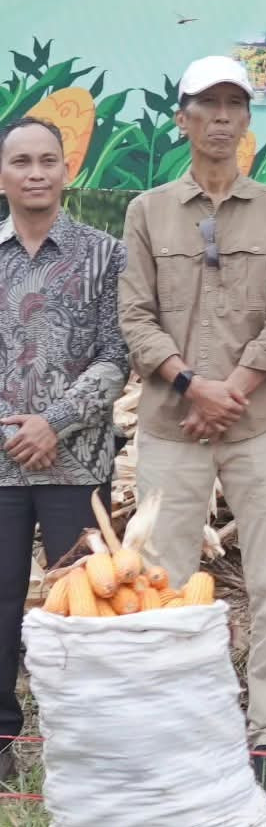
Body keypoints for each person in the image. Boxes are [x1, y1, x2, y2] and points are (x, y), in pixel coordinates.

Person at [118, 55, 266, 798]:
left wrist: (233, 389)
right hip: (172, 425)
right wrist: (193, 385)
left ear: (247, 119)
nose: (222, 118)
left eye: (235, 105)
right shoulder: (148, 210)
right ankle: (173, 723)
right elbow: (135, 315)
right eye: (208, 105)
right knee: (162, 583)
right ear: (183, 119)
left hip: (255, 422)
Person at [0, 118, 128, 786]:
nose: (36, 173)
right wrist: (12, 431)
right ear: (3, 174)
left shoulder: (106, 254)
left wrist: (52, 423)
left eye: (48, 160)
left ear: (67, 169)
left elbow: (118, 355)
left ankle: (83, 746)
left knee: (83, 607)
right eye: (21, 161)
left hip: (77, 462)